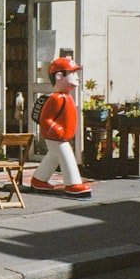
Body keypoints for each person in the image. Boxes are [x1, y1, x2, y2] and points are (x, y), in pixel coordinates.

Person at [30, 56, 92, 198]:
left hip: (61, 135)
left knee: (53, 157)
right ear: (59, 76)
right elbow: (46, 119)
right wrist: (55, 128)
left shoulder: (65, 96)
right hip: (57, 136)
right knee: (67, 157)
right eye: (73, 73)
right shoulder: (56, 98)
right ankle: (73, 184)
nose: (77, 78)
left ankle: (39, 180)